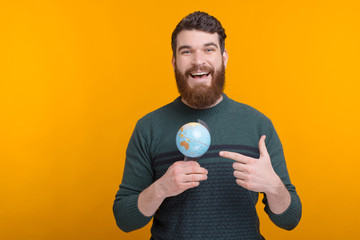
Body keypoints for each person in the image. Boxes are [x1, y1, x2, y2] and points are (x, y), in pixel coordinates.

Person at [113, 11, 302, 240]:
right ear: (174, 61)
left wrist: (274, 187)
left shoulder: (258, 125)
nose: (198, 61)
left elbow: (290, 220)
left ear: (224, 57)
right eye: (186, 51)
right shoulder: (148, 128)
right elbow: (125, 220)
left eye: (209, 49)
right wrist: (161, 188)